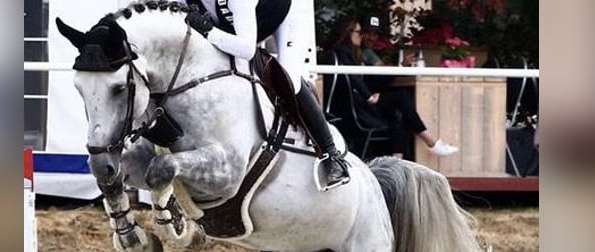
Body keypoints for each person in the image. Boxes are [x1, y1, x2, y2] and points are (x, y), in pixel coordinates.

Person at [182, 0, 350, 191]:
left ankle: (331, 155)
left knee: (290, 79)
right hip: (243, 22)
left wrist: (209, 32)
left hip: (284, 14)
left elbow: (246, 49)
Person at [324, 16, 458, 160]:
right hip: (354, 108)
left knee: (400, 111)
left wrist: (375, 91)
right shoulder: (343, 53)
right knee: (402, 98)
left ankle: (397, 158)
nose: (364, 36)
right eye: (360, 32)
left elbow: (370, 78)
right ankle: (430, 141)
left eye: (374, 33)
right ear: (347, 33)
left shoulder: (350, 53)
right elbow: (352, 78)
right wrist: (369, 96)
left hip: (360, 102)